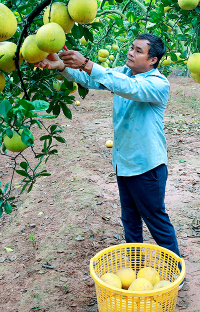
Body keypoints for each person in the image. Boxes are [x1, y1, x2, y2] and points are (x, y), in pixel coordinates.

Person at [36, 33, 182, 264]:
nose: (130, 53)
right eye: (131, 48)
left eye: (138, 51)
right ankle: (135, 268)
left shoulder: (158, 84)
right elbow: (92, 80)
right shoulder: (124, 73)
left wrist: (87, 63)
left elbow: (126, 87)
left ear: (153, 60)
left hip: (146, 166)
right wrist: (62, 65)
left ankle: (175, 271)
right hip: (124, 162)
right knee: (130, 221)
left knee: (156, 221)